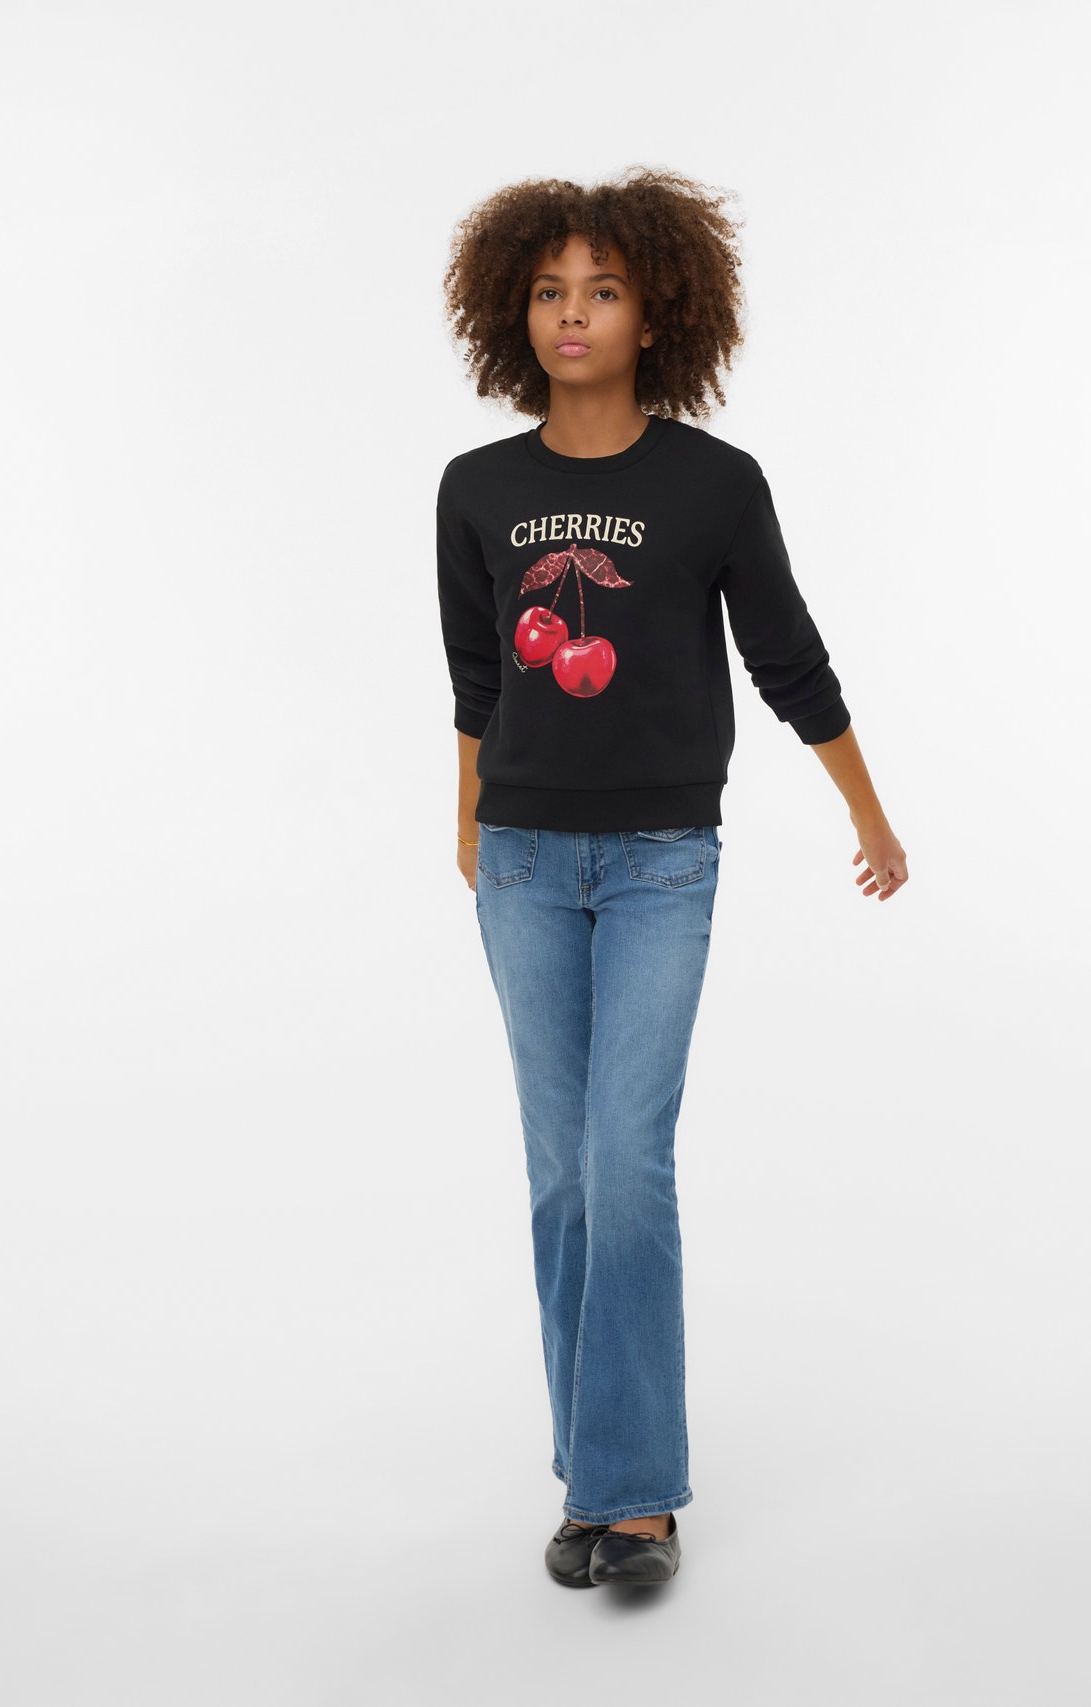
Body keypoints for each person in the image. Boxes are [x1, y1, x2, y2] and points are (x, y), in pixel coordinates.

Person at [436, 168, 908, 1589]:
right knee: (561, 1179)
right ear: (515, 312)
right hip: (523, 863)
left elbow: (788, 658)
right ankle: (596, 1474)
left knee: (626, 1164)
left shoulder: (714, 484)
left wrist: (869, 815)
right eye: (549, 292)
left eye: (604, 291)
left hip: (659, 864)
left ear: (657, 316)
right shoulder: (477, 489)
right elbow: (476, 679)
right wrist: (467, 825)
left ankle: (632, 1501)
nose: (573, 314)